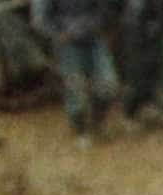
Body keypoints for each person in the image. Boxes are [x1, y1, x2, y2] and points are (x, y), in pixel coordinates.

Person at [31, 0, 121, 145]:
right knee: (76, 90)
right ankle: (80, 130)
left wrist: (98, 24)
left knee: (109, 85)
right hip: (67, 42)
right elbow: (40, 19)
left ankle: (97, 123)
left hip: (93, 37)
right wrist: (58, 34)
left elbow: (104, 8)